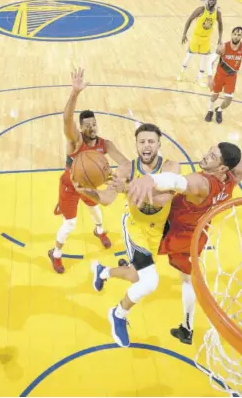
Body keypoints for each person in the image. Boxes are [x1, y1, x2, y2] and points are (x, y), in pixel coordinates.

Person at [126, 97, 242, 344]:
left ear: (222, 167)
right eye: (210, 150)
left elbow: (179, 182)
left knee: (136, 236)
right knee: (186, 278)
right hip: (196, 236)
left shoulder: (203, 182)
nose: (205, 156)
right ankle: (187, 327)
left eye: (212, 156)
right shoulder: (235, 175)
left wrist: (151, 180)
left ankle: (124, 284)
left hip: (171, 230)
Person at [72, 123, 180, 347]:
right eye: (142, 142)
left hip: (158, 230)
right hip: (135, 228)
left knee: (135, 275)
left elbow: (163, 200)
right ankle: (118, 314)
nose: (146, 146)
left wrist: (128, 188)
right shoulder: (125, 170)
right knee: (149, 281)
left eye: (151, 141)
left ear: (159, 144)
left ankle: (103, 272)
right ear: (137, 145)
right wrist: (86, 191)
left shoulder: (171, 167)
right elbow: (107, 199)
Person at [47, 68, 128, 274]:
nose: (92, 127)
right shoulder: (76, 141)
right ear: (81, 128)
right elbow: (66, 120)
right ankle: (55, 254)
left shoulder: (104, 144)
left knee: (96, 211)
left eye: (94, 124)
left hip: (90, 185)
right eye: (88, 125)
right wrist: (75, 93)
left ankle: (99, 231)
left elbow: (125, 162)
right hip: (71, 184)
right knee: (70, 224)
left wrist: (119, 178)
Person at [206, 27, 242, 124]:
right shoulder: (222, 47)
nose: (236, 37)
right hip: (220, 75)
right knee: (214, 96)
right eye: (235, 34)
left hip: (232, 77)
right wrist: (210, 77)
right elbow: (210, 61)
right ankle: (210, 110)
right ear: (231, 34)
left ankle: (219, 110)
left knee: (228, 101)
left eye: (239, 35)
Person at [177, 0, 224, 87]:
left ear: (216, 2)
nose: (211, 2)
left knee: (204, 59)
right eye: (210, 0)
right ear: (208, 0)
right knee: (189, 56)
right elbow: (189, 20)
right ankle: (181, 73)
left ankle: (199, 79)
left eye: (213, 0)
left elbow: (221, 24)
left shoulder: (217, 13)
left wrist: (220, 37)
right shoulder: (201, 9)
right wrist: (184, 34)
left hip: (206, 38)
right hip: (196, 36)